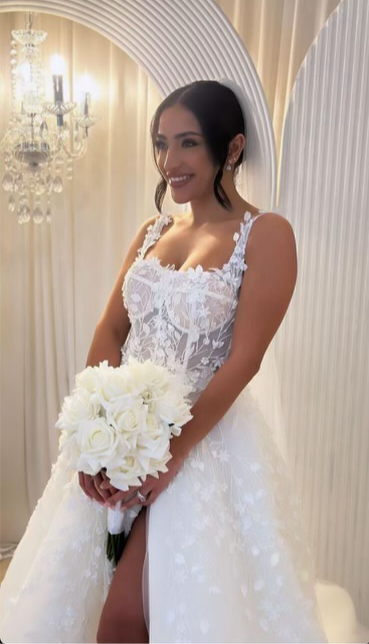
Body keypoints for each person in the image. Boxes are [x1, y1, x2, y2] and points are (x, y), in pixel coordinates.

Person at [0, 80, 328, 644]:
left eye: (188, 143)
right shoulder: (151, 232)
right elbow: (110, 328)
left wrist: (169, 456)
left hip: (203, 444)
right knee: (85, 599)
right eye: (161, 143)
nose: (168, 161)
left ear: (232, 148)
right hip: (123, 438)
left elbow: (244, 361)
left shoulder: (267, 235)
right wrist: (94, 434)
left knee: (126, 616)